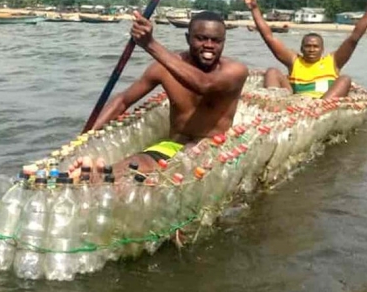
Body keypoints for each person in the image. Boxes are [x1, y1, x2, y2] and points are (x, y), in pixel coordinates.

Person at [68, 10, 249, 180]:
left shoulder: (235, 71)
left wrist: (150, 44)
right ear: (188, 38)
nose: (209, 46)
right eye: (201, 39)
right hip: (173, 146)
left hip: (213, 147)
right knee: (131, 166)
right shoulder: (164, 68)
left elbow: (204, 84)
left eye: (216, 41)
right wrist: (85, 137)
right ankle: (94, 177)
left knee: (190, 156)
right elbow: (123, 101)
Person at [243, 0, 367, 99]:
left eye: (315, 46)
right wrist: (254, 8)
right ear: (301, 49)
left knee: (345, 79)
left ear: (322, 49)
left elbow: (354, 37)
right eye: (307, 46)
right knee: (272, 72)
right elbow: (269, 37)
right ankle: (273, 109)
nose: (311, 49)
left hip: (322, 106)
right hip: (295, 103)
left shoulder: (333, 61)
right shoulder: (294, 61)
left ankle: (318, 111)